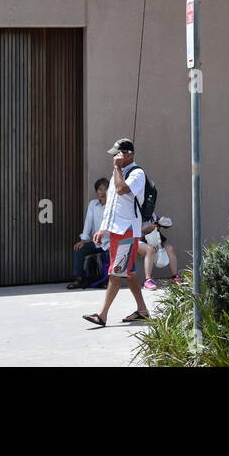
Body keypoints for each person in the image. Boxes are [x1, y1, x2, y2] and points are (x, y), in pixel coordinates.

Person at [84, 139, 151, 326]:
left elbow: (122, 191)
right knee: (127, 272)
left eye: (117, 154)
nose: (114, 157)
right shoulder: (117, 173)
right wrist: (103, 229)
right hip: (116, 230)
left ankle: (102, 315)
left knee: (116, 272)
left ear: (128, 154)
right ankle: (143, 310)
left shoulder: (137, 174)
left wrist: (117, 168)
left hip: (128, 230)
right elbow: (112, 205)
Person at [68, 178, 109, 290]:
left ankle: (107, 280)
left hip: (110, 243)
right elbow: (88, 222)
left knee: (111, 254)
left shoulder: (113, 206)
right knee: (79, 249)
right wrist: (83, 240)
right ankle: (79, 279)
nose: (102, 192)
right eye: (100, 189)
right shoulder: (93, 204)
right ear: (96, 191)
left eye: (105, 189)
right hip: (96, 242)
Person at [139, 215, 181, 290]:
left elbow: (163, 224)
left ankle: (175, 276)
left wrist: (161, 224)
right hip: (139, 239)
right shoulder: (136, 212)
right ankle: (147, 280)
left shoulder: (152, 214)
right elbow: (134, 230)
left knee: (170, 248)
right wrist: (148, 228)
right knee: (150, 250)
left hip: (154, 239)